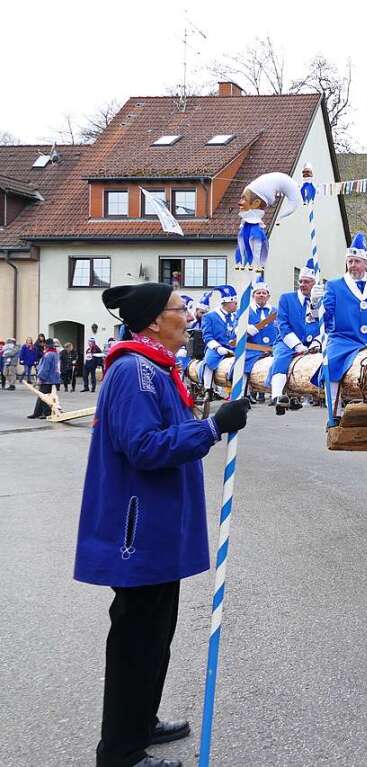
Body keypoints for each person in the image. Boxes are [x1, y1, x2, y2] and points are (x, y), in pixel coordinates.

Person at [75, 282, 250, 767]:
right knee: (137, 639)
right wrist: (213, 428)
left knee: (155, 634)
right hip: (139, 531)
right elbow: (145, 446)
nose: (189, 314)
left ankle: (140, 721)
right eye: (180, 308)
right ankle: (121, 752)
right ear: (154, 321)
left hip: (155, 529)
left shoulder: (153, 367)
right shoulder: (135, 372)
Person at [322, 231, 367, 425]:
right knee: (332, 364)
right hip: (344, 339)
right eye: (350, 261)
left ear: (366, 263)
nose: (353, 265)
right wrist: (315, 306)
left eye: (357, 261)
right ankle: (334, 413)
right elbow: (326, 316)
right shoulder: (334, 285)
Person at [268, 259, 323, 414]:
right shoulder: (286, 298)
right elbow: (283, 325)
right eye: (301, 281)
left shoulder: (321, 301)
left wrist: (317, 342)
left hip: (314, 343)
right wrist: (297, 345)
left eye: (307, 282)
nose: (302, 284)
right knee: (281, 357)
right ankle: (277, 396)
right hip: (288, 341)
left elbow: (326, 324)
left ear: (314, 284)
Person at [197, 285, 238, 405]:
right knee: (209, 361)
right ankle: (208, 389)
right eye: (234, 303)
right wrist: (217, 347)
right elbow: (207, 336)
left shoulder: (236, 316)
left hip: (232, 347)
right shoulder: (209, 317)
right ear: (226, 303)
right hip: (216, 347)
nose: (236, 305)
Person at [242, 275, 276, 403]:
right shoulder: (245, 311)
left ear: (268, 296)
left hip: (273, 348)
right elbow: (236, 330)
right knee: (244, 366)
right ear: (253, 295)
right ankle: (244, 393)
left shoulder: (275, 311)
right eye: (258, 293)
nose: (261, 295)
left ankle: (278, 395)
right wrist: (245, 329)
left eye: (264, 293)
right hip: (253, 349)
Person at [27, 339, 61, 419]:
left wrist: (40, 378)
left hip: (47, 379)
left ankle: (47, 413)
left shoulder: (48, 355)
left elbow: (45, 368)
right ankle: (37, 412)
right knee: (42, 395)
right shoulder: (55, 354)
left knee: (44, 396)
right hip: (53, 378)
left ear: (46, 346)